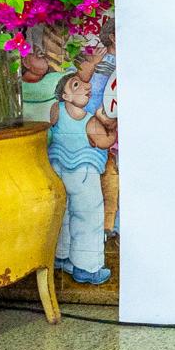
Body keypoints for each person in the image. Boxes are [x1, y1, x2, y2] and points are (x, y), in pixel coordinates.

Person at [48, 71, 118, 284]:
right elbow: (105, 142)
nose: (86, 87)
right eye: (76, 85)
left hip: (58, 167)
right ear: (66, 96)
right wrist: (110, 125)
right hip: (83, 173)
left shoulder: (56, 111)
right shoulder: (90, 122)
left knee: (65, 212)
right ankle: (87, 267)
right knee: (88, 216)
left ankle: (62, 255)